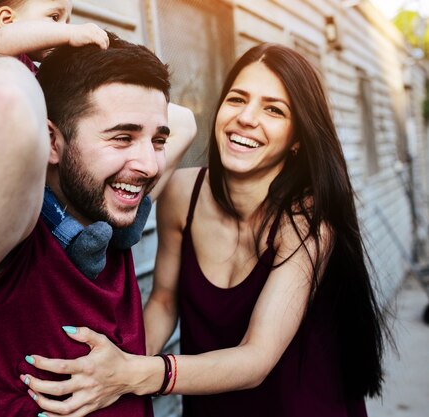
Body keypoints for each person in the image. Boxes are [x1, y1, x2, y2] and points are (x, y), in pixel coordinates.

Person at [21, 43, 390, 417]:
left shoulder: (306, 220)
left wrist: (134, 374)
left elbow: (256, 358)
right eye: (237, 99)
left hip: (302, 406)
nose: (246, 118)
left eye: (273, 109)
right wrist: (104, 371)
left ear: (297, 139)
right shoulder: (183, 193)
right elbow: (165, 301)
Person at [0, 32, 196, 416]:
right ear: (50, 142)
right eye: (123, 137)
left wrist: (85, 55)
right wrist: (9, 50)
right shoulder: (4, 237)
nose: (151, 165)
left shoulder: (110, 210)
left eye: (157, 139)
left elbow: (184, 121)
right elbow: (4, 98)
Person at [0, 0, 109, 203]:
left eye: (68, 21)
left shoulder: (32, 69)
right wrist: (72, 34)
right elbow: (3, 39)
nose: (64, 29)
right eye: (55, 18)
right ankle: (72, 235)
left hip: (5, 170)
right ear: (7, 20)